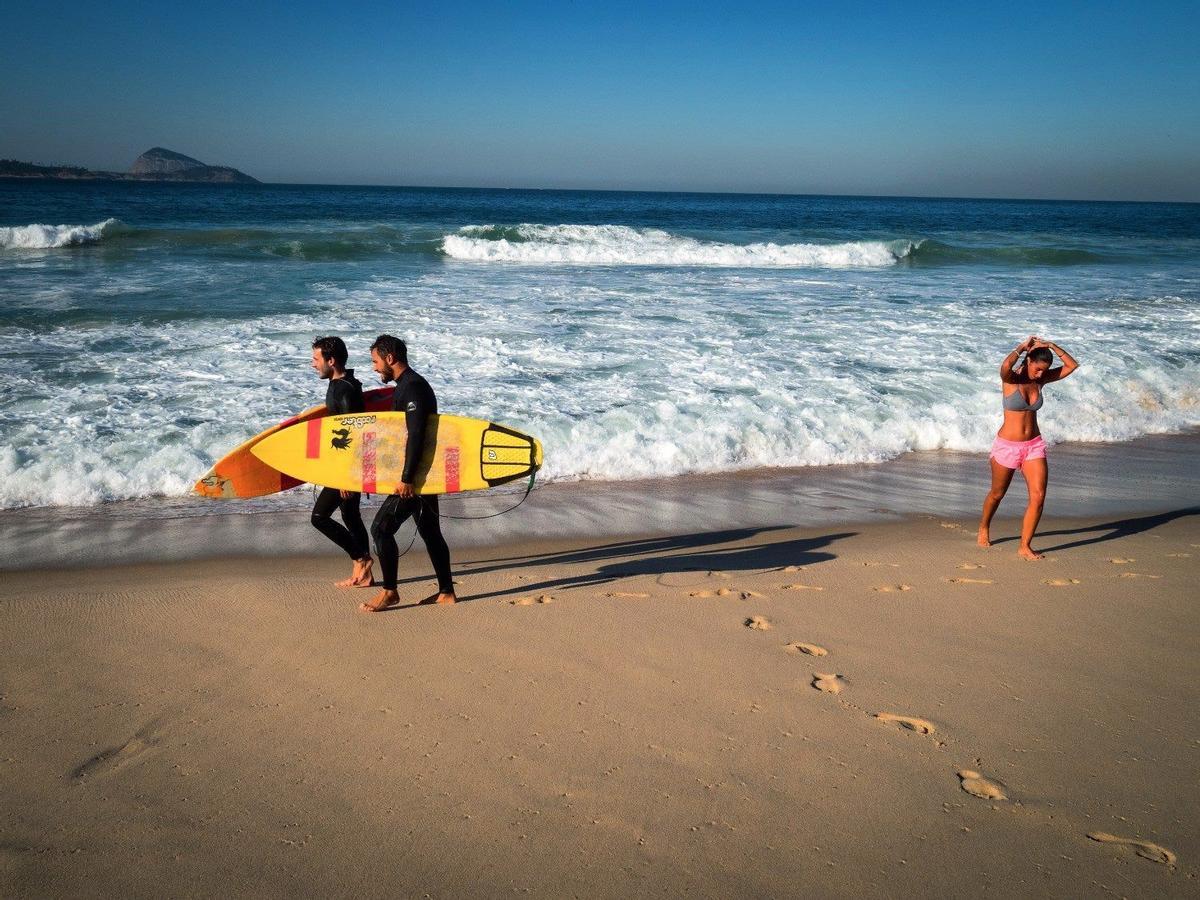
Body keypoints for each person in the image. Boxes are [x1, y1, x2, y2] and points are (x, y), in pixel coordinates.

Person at [361, 334, 456, 612]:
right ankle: (447, 592)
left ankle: (390, 591)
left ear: (390, 358)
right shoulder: (407, 385)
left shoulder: (413, 388)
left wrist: (406, 478)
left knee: (380, 528)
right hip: (424, 474)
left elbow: (416, 434)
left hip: (416, 478)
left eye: (375, 361)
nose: (374, 367)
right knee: (430, 531)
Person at [978, 335, 1079, 559]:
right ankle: (984, 526)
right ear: (1028, 361)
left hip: (1034, 446)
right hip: (1007, 446)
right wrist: (1022, 347)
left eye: (1045, 370)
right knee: (997, 494)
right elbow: (1004, 366)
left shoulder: (1040, 381)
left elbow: (1072, 365)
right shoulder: (1010, 379)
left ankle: (1025, 546)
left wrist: (1051, 345)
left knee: (1039, 496)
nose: (1041, 373)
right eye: (1038, 368)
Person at [309, 336, 374, 587]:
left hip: (348, 468)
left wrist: (347, 476)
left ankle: (361, 558)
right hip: (349, 465)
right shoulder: (344, 384)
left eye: (316, 359)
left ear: (331, 360)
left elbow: (355, 433)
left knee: (319, 517)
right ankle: (364, 574)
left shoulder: (343, 389)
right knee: (350, 515)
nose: (313, 364)